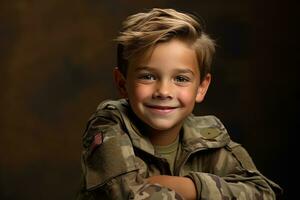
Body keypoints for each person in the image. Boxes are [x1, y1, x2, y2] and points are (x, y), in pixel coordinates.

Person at [77, 8, 282, 200]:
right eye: (148, 77)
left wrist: (188, 186)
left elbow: (263, 193)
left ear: (201, 88)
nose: (164, 92)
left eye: (181, 79)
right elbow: (129, 194)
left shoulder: (208, 136)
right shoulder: (108, 124)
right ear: (122, 84)